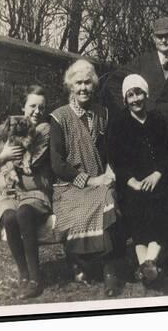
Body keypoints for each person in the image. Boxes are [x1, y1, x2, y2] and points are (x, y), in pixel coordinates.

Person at [49, 59, 123, 297]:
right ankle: (80, 263)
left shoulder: (103, 114)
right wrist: (88, 180)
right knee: (82, 212)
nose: (83, 88)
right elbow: (57, 164)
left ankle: (110, 272)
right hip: (69, 186)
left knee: (108, 200)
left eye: (88, 83)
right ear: (71, 86)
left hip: (100, 180)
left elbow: (112, 149)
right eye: (78, 83)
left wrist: (110, 171)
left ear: (94, 86)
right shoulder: (59, 117)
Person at [0, 85, 52, 299]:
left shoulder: (44, 130)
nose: (36, 111)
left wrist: (8, 156)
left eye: (41, 107)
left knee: (23, 212)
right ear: (23, 107)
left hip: (35, 190)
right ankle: (23, 275)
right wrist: (2, 157)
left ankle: (35, 278)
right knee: (9, 217)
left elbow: (35, 159)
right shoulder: (11, 129)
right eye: (32, 106)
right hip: (10, 192)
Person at [109, 74, 168, 286]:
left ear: (145, 95)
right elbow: (115, 160)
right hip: (132, 184)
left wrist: (157, 174)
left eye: (139, 93)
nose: (135, 99)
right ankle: (150, 266)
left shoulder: (158, 121)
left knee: (162, 207)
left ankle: (145, 266)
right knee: (137, 214)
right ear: (125, 99)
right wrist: (132, 181)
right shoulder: (119, 124)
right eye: (130, 95)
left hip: (159, 180)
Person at [101, 16, 168, 132]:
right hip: (148, 126)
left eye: (167, 36)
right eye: (159, 37)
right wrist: (128, 107)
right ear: (153, 38)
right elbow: (114, 81)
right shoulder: (143, 62)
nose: (163, 40)